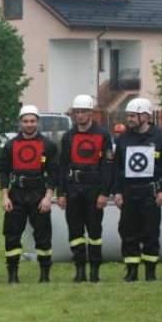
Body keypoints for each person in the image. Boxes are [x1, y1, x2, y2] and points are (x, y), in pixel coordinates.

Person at [113, 97, 162, 282]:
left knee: (151, 232)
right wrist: (117, 191)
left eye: (133, 116)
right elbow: (116, 168)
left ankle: (150, 272)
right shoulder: (124, 138)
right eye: (128, 116)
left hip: (151, 193)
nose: (129, 119)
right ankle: (131, 271)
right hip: (129, 193)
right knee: (127, 232)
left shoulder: (161, 137)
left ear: (145, 116)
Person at [0, 106, 59, 283]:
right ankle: (12, 275)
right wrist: (5, 196)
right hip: (16, 194)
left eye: (32, 121)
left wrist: (48, 197)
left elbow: (54, 173)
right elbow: (3, 172)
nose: (29, 124)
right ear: (20, 122)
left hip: (39, 194)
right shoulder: (10, 145)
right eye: (26, 121)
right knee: (12, 235)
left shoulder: (48, 146)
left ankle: (45, 275)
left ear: (38, 122)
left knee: (43, 236)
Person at [57, 95, 114, 283]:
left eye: (83, 112)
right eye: (76, 112)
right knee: (75, 232)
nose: (79, 115)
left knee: (95, 232)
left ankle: (95, 271)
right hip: (73, 189)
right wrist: (61, 193)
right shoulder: (68, 137)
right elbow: (62, 166)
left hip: (94, 189)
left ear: (91, 113)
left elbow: (107, 166)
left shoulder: (103, 135)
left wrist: (104, 193)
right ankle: (80, 269)